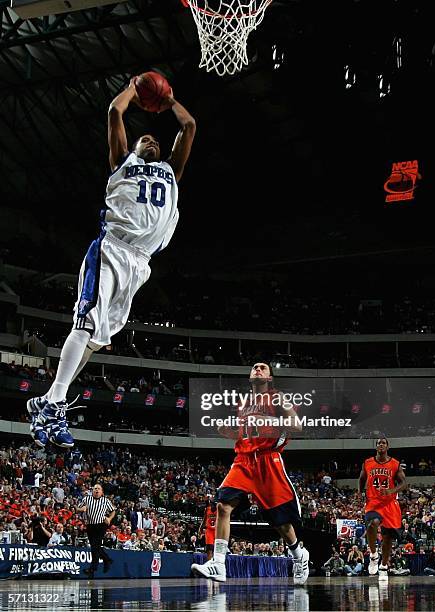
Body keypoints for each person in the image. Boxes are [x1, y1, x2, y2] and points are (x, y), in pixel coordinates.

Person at [26, 76, 196, 448]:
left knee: (100, 337)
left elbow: (189, 126)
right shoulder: (122, 161)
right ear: (132, 147)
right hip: (112, 249)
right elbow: (115, 111)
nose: (151, 139)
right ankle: (53, 403)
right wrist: (136, 88)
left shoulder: (171, 171)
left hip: (140, 264)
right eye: (143, 139)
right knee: (86, 324)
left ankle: (48, 401)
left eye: (155, 139)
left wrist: (169, 100)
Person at [191, 362, 309, 584]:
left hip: (267, 461)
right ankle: (218, 564)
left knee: (281, 523)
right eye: (254, 367)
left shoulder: (277, 397)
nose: (257, 369)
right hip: (243, 461)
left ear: (270, 378)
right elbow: (247, 433)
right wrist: (230, 432)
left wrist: (268, 419)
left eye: (263, 367)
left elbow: (297, 425)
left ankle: (298, 555)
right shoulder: (244, 403)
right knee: (222, 505)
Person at [358, 437, 406, 578]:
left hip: (389, 503)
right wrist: (360, 492)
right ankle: (373, 555)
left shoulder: (395, 464)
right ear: (376, 446)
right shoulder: (368, 463)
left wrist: (392, 491)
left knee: (387, 538)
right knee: (372, 524)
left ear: (387, 446)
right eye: (378, 443)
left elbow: (403, 484)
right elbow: (361, 478)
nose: (380, 444)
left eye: (383, 443)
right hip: (373, 502)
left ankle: (384, 565)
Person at [77, 483, 116, 577]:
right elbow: (77, 508)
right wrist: (81, 509)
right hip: (90, 525)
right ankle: (107, 560)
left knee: (95, 546)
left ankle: (92, 569)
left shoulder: (105, 501)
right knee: (95, 547)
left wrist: (109, 519)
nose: (96, 490)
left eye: (98, 488)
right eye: (95, 488)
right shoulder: (87, 499)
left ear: (102, 492)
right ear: (92, 490)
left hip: (101, 525)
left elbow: (113, 511)